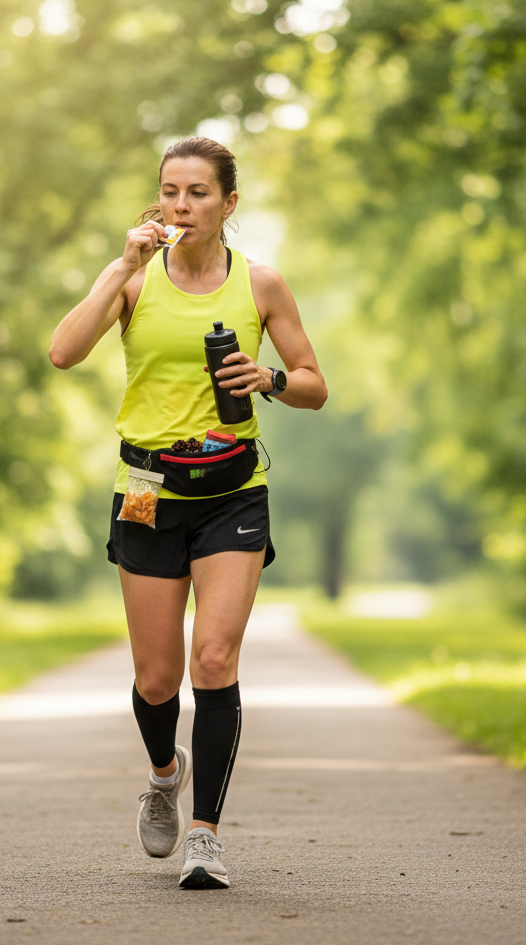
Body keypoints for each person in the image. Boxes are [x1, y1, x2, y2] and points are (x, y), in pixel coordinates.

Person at [49, 136, 327, 889]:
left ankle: (205, 835)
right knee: (155, 679)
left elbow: (313, 384)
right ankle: (164, 774)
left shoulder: (261, 285)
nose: (181, 205)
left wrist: (268, 377)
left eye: (198, 192)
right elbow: (63, 352)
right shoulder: (134, 282)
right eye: (170, 191)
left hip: (233, 490)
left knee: (213, 660)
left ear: (228, 204)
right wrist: (120, 268)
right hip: (145, 489)